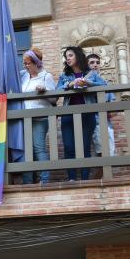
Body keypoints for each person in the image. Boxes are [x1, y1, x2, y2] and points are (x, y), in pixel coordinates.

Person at [56, 46, 107, 181]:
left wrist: (88, 83)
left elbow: (104, 86)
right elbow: (56, 90)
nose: (68, 58)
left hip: (86, 113)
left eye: (71, 55)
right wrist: (69, 85)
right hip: (68, 114)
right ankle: (72, 178)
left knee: (85, 146)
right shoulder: (64, 75)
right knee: (69, 147)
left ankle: (84, 178)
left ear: (78, 56)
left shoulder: (91, 74)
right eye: (66, 56)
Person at [18, 47, 56, 184]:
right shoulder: (23, 76)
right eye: (24, 63)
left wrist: (44, 91)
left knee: (38, 148)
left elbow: (54, 100)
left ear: (36, 63)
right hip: (24, 118)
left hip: (40, 118)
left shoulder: (46, 76)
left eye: (28, 63)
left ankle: (44, 180)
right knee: (26, 150)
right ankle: (28, 181)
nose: (25, 66)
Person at [87, 53, 116, 157]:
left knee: (110, 157)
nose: (95, 65)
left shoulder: (106, 83)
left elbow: (113, 104)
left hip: (107, 124)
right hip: (95, 124)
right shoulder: (85, 82)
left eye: (98, 63)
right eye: (92, 62)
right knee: (102, 156)